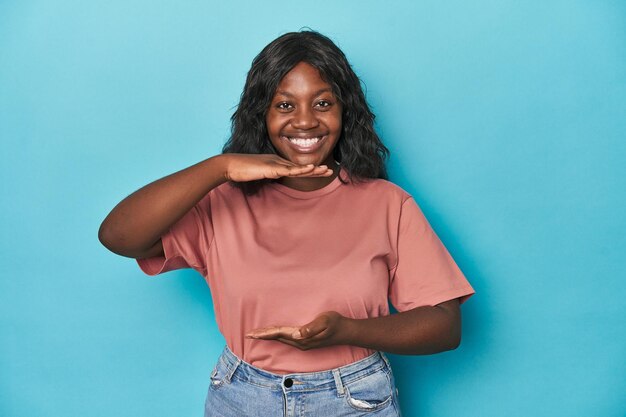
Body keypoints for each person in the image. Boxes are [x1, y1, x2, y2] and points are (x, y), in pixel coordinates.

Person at [99, 30, 475, 417]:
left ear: (345, 111)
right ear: (261, 114)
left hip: (354, 399)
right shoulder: (222, 202)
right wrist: (221, 168)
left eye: (323, 103)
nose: (305, 122)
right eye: (284, 105)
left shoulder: (387, 204)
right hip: (240, 397)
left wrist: (346, 330)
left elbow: (445, 326)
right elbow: (117, 237)